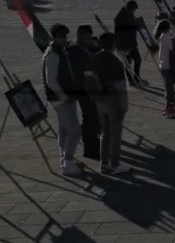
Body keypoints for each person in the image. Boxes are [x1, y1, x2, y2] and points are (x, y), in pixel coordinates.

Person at [43, 24, 82, 177]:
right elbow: (51, 81)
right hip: (61, 99)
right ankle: (68, 162)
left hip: (64, 97)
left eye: (64, 36)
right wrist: (64, 97)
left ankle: (64, 158)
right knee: (74, 131)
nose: (63, 39)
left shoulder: (60, 51)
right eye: (60, 37)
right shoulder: (53, 54)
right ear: (54, 37)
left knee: (64, 130)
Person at [88, 32, 130, 175]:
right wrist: (124, 106)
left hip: (99, 102)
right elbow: (121, 87)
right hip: (113, 101)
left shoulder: (93, 59)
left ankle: (104, 163)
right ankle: (115, 164)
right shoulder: (115, 62)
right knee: (115, 135)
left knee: (104, 133)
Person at [66, 25, 101, 161]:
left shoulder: (87, 48)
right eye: (87, 38)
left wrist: (96, 46)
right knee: (90, 119)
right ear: (80, 37)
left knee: (95, 118)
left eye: (90, 37)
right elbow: (80, 72)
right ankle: (90, 149)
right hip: (84, 91)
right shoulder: (74, 51)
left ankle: (95, 145)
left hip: (93, 88)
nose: (89, 40)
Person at [113, 0, 143, 86]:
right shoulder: (120, 17)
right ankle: (131, 79)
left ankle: (136, 77)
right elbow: (122, 30)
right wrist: (134, 27)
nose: (134, 12)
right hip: (124, 43)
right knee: (128, 62)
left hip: (131, 42)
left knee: (138, 59)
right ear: (129, 8)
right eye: (133, 10)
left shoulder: (129, 15)